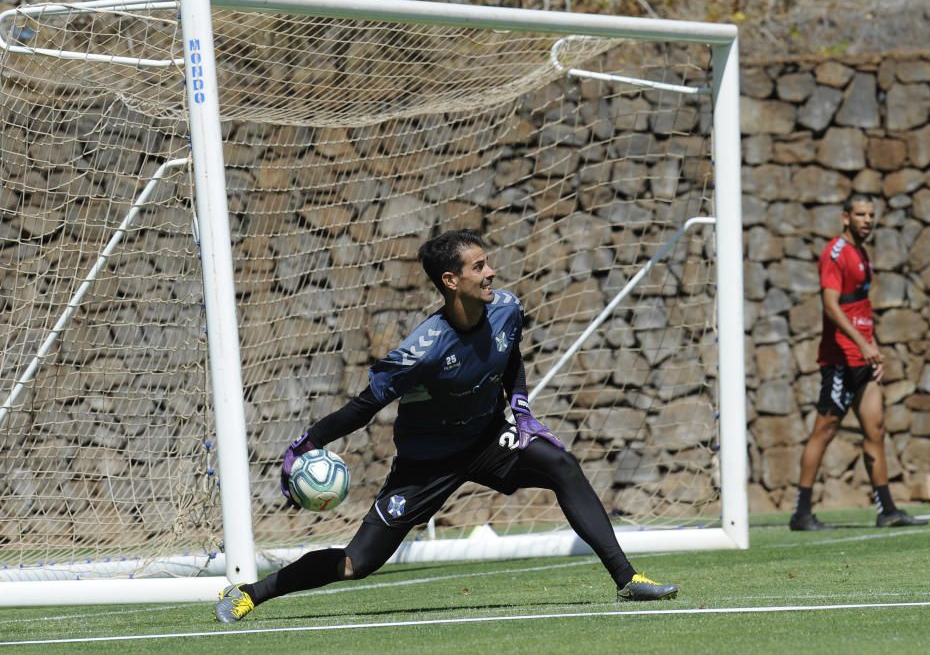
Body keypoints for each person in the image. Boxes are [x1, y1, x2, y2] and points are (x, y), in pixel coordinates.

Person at [215, 229, 678, 623]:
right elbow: (362, 408)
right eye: (479, 268)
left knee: (562, 464)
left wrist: (522, 410)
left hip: (486, 439)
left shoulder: (506, 309)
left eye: (488, 263)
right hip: (425, 464)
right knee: (357, 563)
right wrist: (306, 443)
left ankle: (627, 579)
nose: (491, 273)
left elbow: (510, 355)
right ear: (451, 281)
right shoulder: (422, 351)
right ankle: (251, 593)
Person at [789, 194, 927, 531]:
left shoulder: (862, 254)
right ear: (845, 217)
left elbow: (861, 307)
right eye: (860, 214)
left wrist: (873, 348)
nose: (867, 220)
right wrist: (862, 344)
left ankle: (887, 510)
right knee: (825, 430)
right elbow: (831, 306)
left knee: (875, 429)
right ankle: (801, 513)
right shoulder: (835, 254)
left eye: (871, 215)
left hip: (863, 359)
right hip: (839, 360)